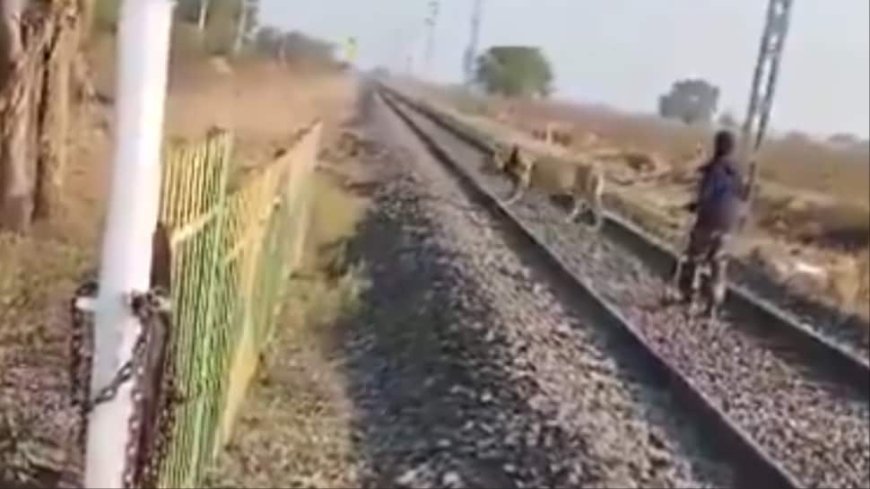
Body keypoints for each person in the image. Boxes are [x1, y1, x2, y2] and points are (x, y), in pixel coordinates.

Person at [676, 130, 747, 318]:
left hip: (708, 221)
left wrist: (693, 206)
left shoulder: (713, 169)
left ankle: (689, 297)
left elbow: (706, 195)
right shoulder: (739, 172)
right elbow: (742, 197)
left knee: (694, 257)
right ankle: (712, 306)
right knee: (718, 264)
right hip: (728, 226)